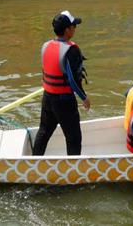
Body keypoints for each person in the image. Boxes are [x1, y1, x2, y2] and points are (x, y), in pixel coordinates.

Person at [32, 11, 90, 156]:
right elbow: (72, 79)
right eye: (73, 26)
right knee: (74, 138)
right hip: (64, 100)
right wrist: (84, 97)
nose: (75, 28)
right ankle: (73, 170)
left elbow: (44, 70)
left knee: (44, 132)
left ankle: (33, 162)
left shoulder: (46, 45)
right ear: (67, 30)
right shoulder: (71, 50)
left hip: (48, 97)